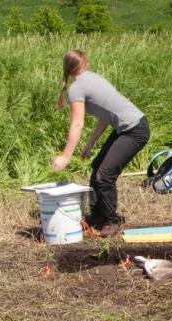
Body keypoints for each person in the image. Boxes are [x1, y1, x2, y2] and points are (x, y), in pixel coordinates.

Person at [52, 49, 150, 232]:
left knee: (104, 175)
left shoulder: (77, 88)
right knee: (97, 167)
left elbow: (77, 125)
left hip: (134, 130)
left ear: (67, 68)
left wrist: (65, 157)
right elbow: (105, 116)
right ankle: (97, 215)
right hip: (129, 127)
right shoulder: (94, 78)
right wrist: (90, 143)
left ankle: (111, 220)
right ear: (85, 63)